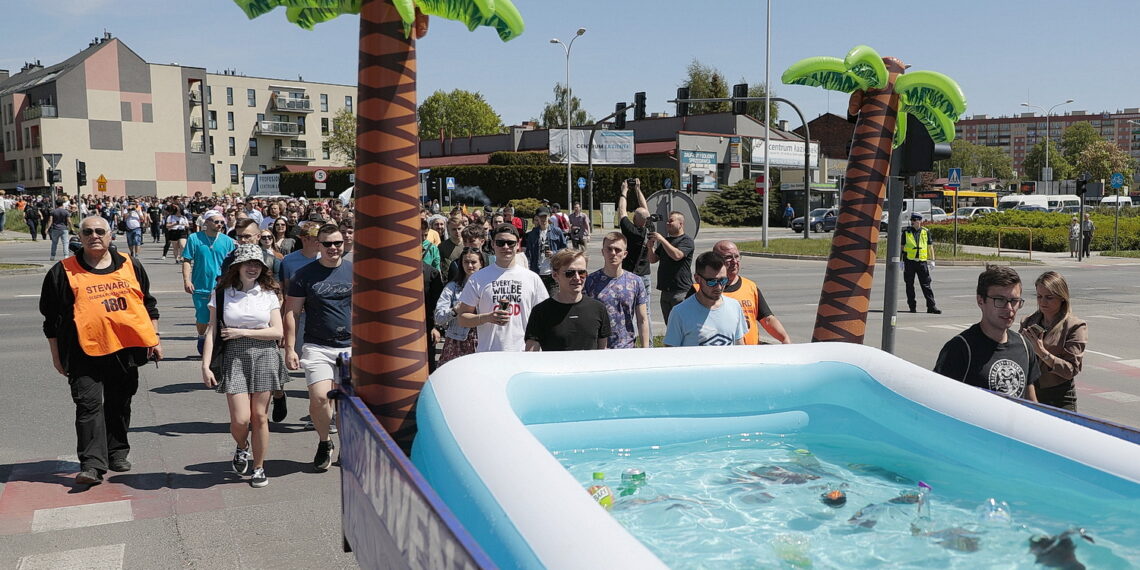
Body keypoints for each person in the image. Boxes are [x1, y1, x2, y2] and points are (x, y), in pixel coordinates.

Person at [40, 216, 162, 485]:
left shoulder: (131, 265)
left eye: (99, 231)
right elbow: (50, 320)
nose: (94, 235)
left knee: (119, 402)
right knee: (88, 405)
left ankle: (117, 452)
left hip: (125, 349)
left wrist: (154, 339)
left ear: (110, 236)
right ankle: (92, 465)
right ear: (79, 237)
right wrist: (56, 356)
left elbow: (148, 305)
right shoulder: (62, 271)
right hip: (83, 351)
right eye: (87, 232)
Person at [201, 244, 289, 488]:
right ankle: (242, 447)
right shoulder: (222, 293)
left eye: (258, 264)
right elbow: (212, 330)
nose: (253, 268)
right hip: (234, 357)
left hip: (265, 355)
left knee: (259, 416)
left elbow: (277, 331)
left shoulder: (269, 293)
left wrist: (240, 331)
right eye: (248, 263)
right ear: (237, 266)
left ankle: (259, 467)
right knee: (240, 419)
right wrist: (205, 365)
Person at [283, 224, 352, 472]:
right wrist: (290, 347)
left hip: (351, 347)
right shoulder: (304, 274)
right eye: (327, 244)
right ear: (318, 245)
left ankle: (348, 447)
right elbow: (292, 311)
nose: (333, 248)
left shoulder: (356, 271)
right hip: (317, 346)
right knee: (320, 397)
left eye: (337, 243)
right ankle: (324, 441)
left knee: (346, 403)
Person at [934, 265, 1040, 401]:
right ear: (980, 300)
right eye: (1000, 300)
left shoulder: (1024, 347)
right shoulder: (960, 349)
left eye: (1014, 301)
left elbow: (1031, 403)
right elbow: (939, 400)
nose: (1009, 309)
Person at [456, 224, 549, 352]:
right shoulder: (478, 278)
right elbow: (462, 318)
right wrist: (487, 317)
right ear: (493, 244)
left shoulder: (532, 278)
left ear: (517, 245)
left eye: (510, 243)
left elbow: (544, 319)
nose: (506, 247)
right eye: (500, 243)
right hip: (489, 354)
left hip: (523, 354)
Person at [698, 240, 792, 344]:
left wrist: (785, 339)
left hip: (749, 355)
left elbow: (767, 320)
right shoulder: (701, 289)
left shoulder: (750, 287)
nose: (734, 261)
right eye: (728, 257)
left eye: (737, 256)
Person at [1019, 271, 1087, 411]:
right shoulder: (1028, 321)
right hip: (1029, 391)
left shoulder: (1074, 326)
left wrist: (1042, 352)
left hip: (1058, 396)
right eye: (1039, 296)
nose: (1042, 302)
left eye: (1049, 297)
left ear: (1062, 297)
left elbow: (1071, 370)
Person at [524, 249, 610, 351]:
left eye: (582, 272)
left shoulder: (598, 309)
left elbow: (603, 352)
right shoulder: (540, 311)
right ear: (555, 275)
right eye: (570, 273)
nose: (577, 278)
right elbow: (531, 355)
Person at [663, 251, 747, 347]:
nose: (719, 287)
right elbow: (671, 352)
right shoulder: (680, 313)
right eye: (712, 282)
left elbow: (739, 345)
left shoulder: (734, 306)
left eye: (723, 280)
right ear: (697, 279)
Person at [182, 210, 237, 355]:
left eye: (221, 222)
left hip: (222, 286)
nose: (219, 224)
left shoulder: (228, 241)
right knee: (202, 318)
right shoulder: (194, 238)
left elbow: (233, 263)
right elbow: (187, 260)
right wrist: (187, 280)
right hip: (201, 286)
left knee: (223, 317)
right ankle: (201, 337)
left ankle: (218, 346)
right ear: (206, 222)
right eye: (216, 221)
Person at [584, 232, 650, 349]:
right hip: (598, 349)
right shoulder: (590, 281)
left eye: (617, 250)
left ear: (625, 254)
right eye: (609, 249)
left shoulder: (635, 281)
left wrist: (645, 350)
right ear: (602, 252)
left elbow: (642, 319)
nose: (613, 253)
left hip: (627, 348)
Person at [435, 248, 486, 366]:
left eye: (473, 262)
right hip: (457, 341)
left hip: (483, 340)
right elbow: (438, 317)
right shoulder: (452, 287)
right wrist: (454, 310)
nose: (469, 265)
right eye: (466, 262)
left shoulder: (489, 286)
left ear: (481, 263)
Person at [617, 178, 654, 333]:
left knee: (628, 312)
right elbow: (645, 210)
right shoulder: (650, 229)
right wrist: (638, 189)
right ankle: (649, 344)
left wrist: (624, 192)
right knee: (646, 314)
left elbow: (621, 212)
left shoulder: (631, 231)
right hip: (645, 276)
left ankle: (629, 341)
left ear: (634, 219)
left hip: (631, 276)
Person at [648, 210, 695, 324]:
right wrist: (650, 247)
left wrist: (662, 240)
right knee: (670, 325)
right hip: (665, 290)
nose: (667, 223)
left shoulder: (686, 241)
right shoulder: (667, 241)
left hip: (681, 291)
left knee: (683, 325)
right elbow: (653, 259)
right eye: (667, 221)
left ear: (680, 224)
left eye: (671, 221)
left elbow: (677, 256)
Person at [901, 212, 941, 314]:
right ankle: (912, 306)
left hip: (922, 263)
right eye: (912, 220)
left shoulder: (925, 232)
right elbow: (902, 247)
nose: (912, 222)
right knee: (909, 285)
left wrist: (932, 260)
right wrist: (901, 261)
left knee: (926, 285)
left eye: (914, 220)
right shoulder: (906, 232)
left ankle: (931, 306)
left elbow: (930, 247)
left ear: (919, 221)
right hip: (910, 262)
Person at [523, 206, 568, 294]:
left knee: (553, 299)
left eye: (545, 216)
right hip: (537, 273)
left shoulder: (557, 231)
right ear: (537, 218)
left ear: (549, 216)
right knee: (539, 301)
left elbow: (565, 250)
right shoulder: (532, 234)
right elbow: (528, 254)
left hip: (552, 273)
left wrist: (554, 253)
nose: (543, 219)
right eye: (541, 217)